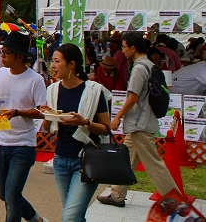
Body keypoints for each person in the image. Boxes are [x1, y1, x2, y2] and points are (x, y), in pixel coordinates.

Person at [97, 32, 182, 208]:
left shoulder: (138, 68)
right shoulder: (149, 65)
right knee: (126, 158)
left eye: (124, 47)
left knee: (154, 164)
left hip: (139, 124)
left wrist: (118, 117)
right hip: (140, 123)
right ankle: (117, 194)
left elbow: (133, 98)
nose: (123, 50)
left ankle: (175, 201)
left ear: (133, 48)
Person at [0, 31, 49, 222]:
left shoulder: (35, 80)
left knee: (12, 196)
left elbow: (42, 111)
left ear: (20, 56)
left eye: (6, 53)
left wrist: (18, 112)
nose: (2, 57)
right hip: (2, 143)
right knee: (4, 194)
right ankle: (35, 218)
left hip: (23, 145)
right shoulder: (0, 74)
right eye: (2, 52)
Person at [40, 44, 111, 222]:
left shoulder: (94, 91)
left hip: (86, 161)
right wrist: (47, 114)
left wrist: (85, 122)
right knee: (75, 215)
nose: (53, 66)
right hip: (61, 159)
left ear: (72, 64)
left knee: (70, 217)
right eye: (52, 61)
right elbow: (47, 128)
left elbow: (106, 128)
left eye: (57, 61)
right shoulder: (53, 90)